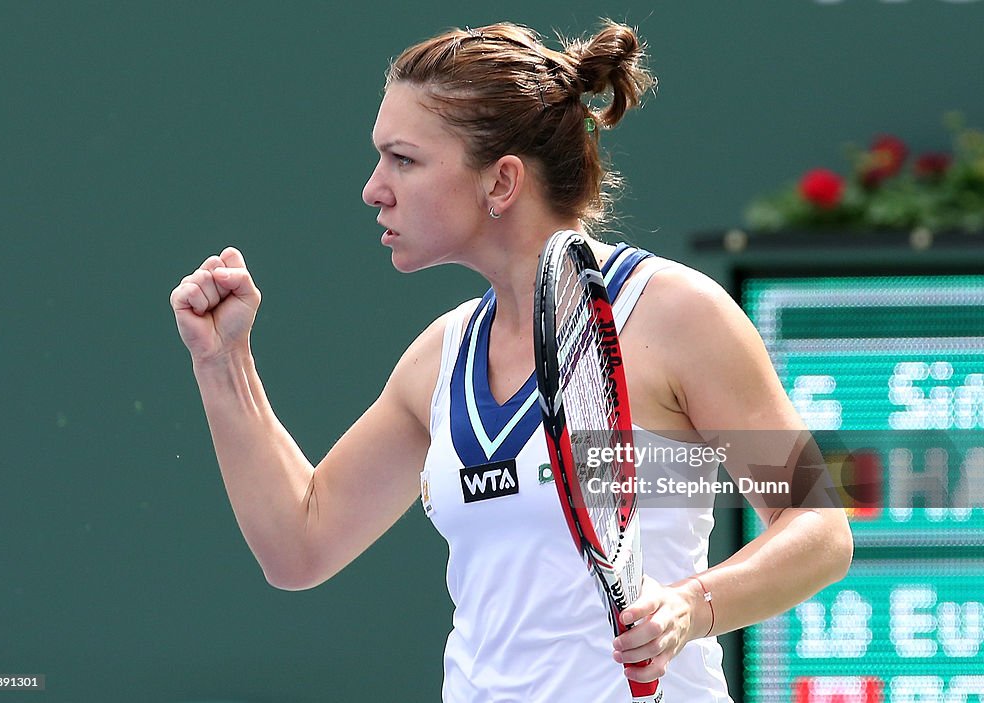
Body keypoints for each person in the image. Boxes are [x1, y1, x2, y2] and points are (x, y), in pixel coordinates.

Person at [170, 20, 853, 702]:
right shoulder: (436, 360)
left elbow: (819, 528)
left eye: (403, 159)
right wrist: (223, 363)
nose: (373, 188)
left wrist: (690, 606)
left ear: (501, 181)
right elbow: (300, 545)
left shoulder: (676, 315)